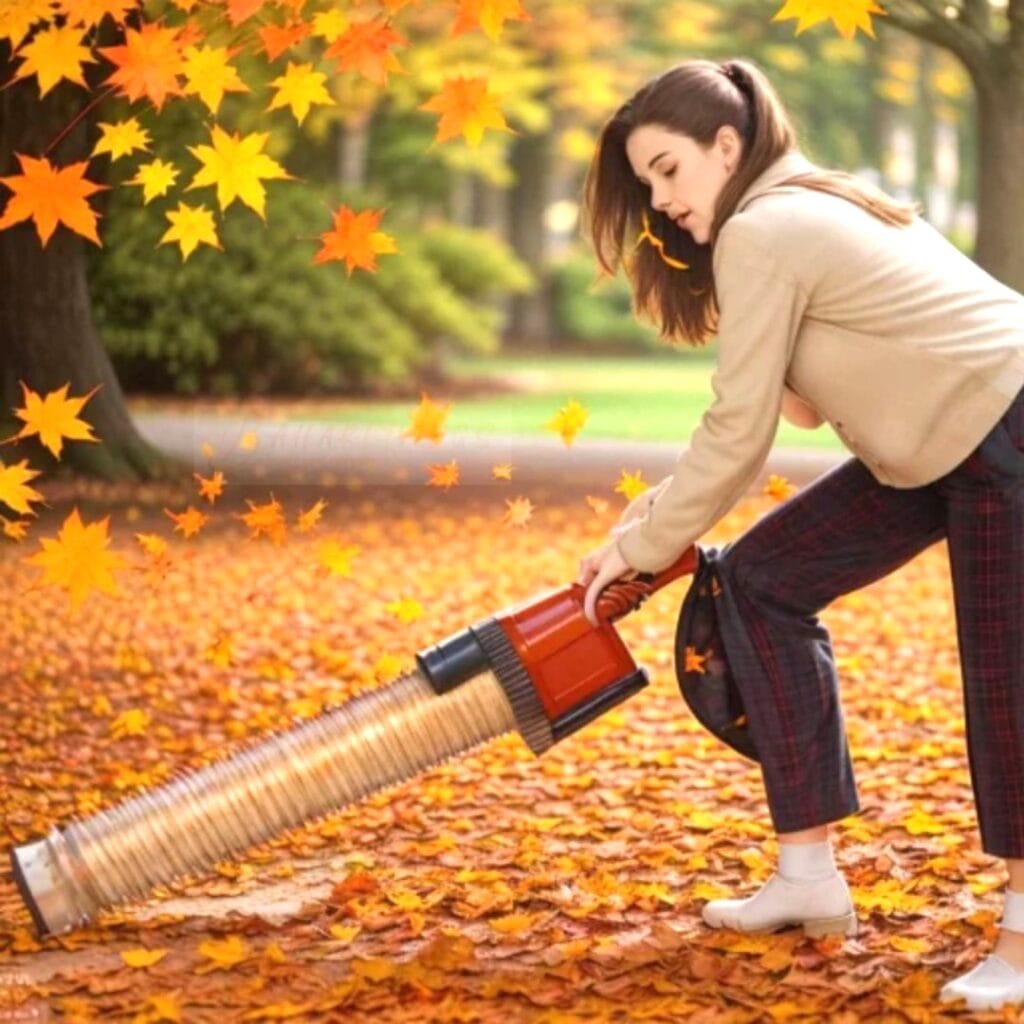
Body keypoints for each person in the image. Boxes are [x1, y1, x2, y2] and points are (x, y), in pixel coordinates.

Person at [574, 56, 1024, 1012]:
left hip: (1006, 427)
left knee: (1009, 679)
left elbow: (742, 433)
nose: (658, 201)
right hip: (938, 444)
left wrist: (642, 541)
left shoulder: (770, 225)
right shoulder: (794, 208)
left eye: (667, 171)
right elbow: (810, 409)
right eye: (645, 182)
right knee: (761, 580)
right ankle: (809, 874)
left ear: (726, 145)